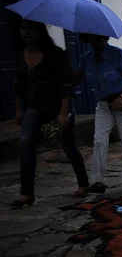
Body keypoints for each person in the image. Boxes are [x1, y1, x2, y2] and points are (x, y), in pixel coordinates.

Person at [10, 20, 89, 208]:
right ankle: (27, 193)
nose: (27, 32)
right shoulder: (20, 55)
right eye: (23, 28)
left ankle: (83, 183)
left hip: (57, 106)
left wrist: (63, 113)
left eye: (32, 28)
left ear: (40, 31)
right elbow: (19, 85)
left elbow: (65, 85)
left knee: (67, 145)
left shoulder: (55, 54)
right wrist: (19, 109)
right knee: (26, 144)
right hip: (34, 107)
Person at [77, 34, 122, 193]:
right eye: (92, 38)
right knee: (99, 139)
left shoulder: (117, 54)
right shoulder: (86, 59)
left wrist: (121, 97)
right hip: (103, 104)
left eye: (98, 38)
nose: (95, 41)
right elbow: (77, 79)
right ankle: (97, 180)